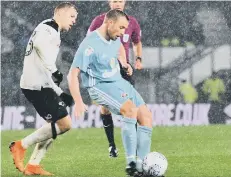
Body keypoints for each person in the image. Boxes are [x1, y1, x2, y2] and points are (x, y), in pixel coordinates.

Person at [68, 9, 152, 176]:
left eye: (125, 29)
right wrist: (78, 101)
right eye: (121, 28)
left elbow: (120, 48)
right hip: (99, 86)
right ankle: (131, 165)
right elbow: (72, 74)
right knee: (130, 110)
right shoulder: (89, 44)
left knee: (146, 117)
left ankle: (142, 167)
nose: (122, 33)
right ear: (110, 23)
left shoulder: (114, 38)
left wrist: (124, 63)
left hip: (119, 82)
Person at [9, 3, 77, 175]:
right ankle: (20, 145)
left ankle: (33, 166)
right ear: (60, 14)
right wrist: (55, 70)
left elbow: (42, 64)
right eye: (71, 16)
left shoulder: (49, 27)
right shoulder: (49, 30)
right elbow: (39, 45)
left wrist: (60, 92)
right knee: (65, 124)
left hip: (39, 85)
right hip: (36, 86)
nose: (74, 21)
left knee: (52, 126)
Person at [87, 0, 143, 157]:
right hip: (104, 67)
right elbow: (89, 42)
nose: (118, 3)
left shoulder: (132, 22)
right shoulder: (99, 21)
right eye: (114, 0)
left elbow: (136, 42)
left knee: (132, 106)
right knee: (105, 107)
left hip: (123, 66)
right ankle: (112, 145)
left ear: (125, 2)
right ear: (109, 3)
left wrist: (138, 59)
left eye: (120, 0)